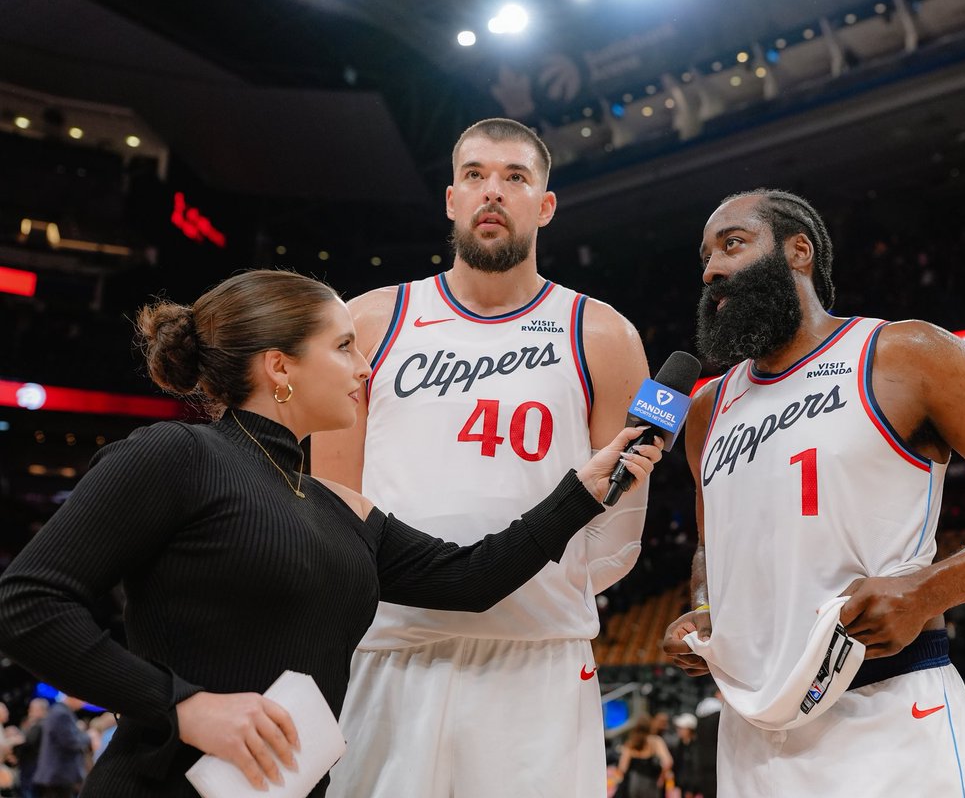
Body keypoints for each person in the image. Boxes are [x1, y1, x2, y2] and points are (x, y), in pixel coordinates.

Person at [0, 269, 661, 797]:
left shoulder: (337, 506)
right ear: (280, 367)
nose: (366, 368)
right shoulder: (176, 455)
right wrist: (183, 706)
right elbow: (25, 602)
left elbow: (472, 577)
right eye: (344, 347)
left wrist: (584, 490)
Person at [662, 189, 965, 797]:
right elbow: (714, 547)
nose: (712, 269)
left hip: (886, 708)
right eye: (705, 257)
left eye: (733, 244)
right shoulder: (709, 406)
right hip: (750, 731)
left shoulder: (901, 354)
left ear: (798, 252)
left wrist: (930, 589)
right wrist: (705, 611)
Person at [315, 118, 651, 798]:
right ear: (450, 198)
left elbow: (619, 531)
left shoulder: (603, 333)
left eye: (515, 177)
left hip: (539, 661)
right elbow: (330, 501)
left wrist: (524, 596)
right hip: (389, 654)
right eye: (475, 175)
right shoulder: (371, 320)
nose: (492, 191)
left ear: (545, 205)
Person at [31, 697, 89, 798]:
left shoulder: (58, 711)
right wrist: (88, 736)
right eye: (82, 699)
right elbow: (71, 742)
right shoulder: (62, 713)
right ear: (73, 697)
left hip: (56, 775)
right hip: (58, 775)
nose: (84, 703)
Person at [615, 716, 674, 798]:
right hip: (652, 784)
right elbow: (668, 762)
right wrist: (661, 777)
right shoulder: (655, 741)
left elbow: (622, 768)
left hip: (633, 784)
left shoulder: (630, 744)